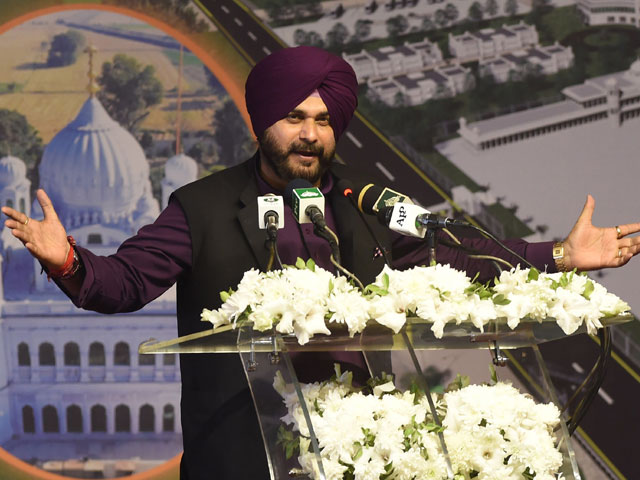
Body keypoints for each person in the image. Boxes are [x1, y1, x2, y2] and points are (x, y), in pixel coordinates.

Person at [3, 46, 640, 479]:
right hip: (241, 458)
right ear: (263, 123)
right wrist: (67, 260)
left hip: (351, 455)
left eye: (324, 120)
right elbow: (126, 282)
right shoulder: (201, 206)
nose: (311, 133)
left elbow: (453, 251)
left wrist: (559, 255)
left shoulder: (367, 204)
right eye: (294, 117)